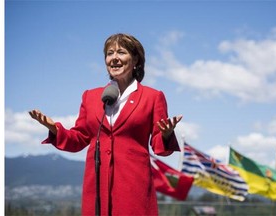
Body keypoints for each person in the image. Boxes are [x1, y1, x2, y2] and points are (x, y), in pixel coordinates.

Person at [29, 33, 183, 216]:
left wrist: (165, 135)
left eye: (121, 52)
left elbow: (160, 147)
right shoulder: (90, 97)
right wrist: (55, 130)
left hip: (133, 189)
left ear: (135, 60)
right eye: (109, 53)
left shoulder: (153, 97)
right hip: (97, 188)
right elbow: (79, 138)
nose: (114, 58)